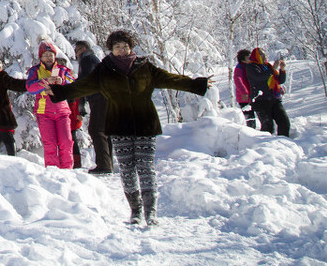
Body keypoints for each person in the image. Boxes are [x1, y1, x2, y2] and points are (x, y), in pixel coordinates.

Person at [48, 30, 212, 227]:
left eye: (125, 46)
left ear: (131, 47)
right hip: (119, 125)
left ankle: (151, 212)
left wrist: (197, 84)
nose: (122, 50)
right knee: (127, 169)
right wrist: (59, 92)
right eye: (117, 47)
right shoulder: (104, 70)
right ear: (112, 50)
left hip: (145, 124)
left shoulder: (145, 67)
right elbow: (83, 86)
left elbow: (170, 79)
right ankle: (135, 211)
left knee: (146, 168)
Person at [26, 41, 75, 168]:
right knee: (50, 144)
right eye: (45, 55)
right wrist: (44, 82)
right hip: (44, 112)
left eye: (50, 55)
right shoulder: (35, 71)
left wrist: (62, 81)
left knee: (66, 142)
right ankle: (53, 172)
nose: (48, 58)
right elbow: (30, 88)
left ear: (55, 56)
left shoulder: (62, 70)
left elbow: (73, 84)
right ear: (41, 57)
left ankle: (67, 171)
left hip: (62, 111)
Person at [74, 40, 113, 174]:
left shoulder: (87, 59)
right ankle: (108, 163)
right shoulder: (92, 59)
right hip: (103, 97)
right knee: (103, 130)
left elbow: (86, 80)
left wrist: (75, 91)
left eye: (77, 50)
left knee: (96, 130)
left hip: (99, 98)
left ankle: (104, 165)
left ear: (83, 49)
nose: (76, 53)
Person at [244, 48, 290, 137]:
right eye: (261, 54)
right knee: (268, 127)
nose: (264, 56)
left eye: (264, 54)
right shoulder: (251, 67)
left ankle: (284, 143)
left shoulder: (267, 66)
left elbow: (279, 80)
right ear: (255, 56)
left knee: (284, 122)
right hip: (260, 101)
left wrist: (282, 69)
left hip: (274, 99)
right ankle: (265, 146)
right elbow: (259, 77)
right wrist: (273, 69)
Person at [233, 49, 257, 129]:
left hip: (251, 96)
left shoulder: (250, 66)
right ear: (243, 59)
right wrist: (244, 92)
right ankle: (250, 134)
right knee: (250, 119)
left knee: (254, 116)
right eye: (248, 57)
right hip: (244, 98)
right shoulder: (239, 68)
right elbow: (238, 80)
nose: (251, 59)